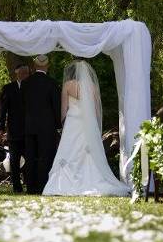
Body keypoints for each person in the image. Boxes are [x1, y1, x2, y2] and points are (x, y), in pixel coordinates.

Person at [43, 60, 129, 196]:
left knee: (69, 150)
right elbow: (95, 110)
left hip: (72, 121)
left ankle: (62, 183)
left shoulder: (67, 85)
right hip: (87, 124)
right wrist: (92, 124)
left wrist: (63, 124)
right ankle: (92, 179)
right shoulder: (92, 87)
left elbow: (64, 109)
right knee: (88, 151)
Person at [21, 54, 61, 194]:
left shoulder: (25, 83)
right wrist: (58, 125)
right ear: (47, 66)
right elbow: (56, 107)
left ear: (34, 65)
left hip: (29, 126)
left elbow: (22, 106)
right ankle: (43, 186)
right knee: (45, 156)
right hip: (47, 127)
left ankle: (30, 187)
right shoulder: (52, 83)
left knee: (30, 157)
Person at [0, 63, 29, 193]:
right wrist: (0, 127)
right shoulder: (8, 88)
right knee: (14, 160)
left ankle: (30, 183)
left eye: (26, 72)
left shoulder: (32, 88)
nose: (24, 75)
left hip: (29, 130)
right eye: (22, 72)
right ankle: (17, 187)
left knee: (30, 158)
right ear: (17, 73)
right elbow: (3, 110)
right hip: (14, 130)